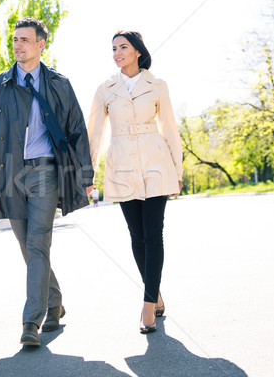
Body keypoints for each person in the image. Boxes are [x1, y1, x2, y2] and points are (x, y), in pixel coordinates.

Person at [0, 17, 94, 346]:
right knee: (26, 247)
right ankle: (54, 301)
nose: (17, 45)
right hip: (9, 172)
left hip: (46, 172)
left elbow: (77, 131)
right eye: (14, 39)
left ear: (41, 44)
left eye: (24, 40)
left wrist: (85, 176)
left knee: (38, 244)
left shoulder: (59, 83)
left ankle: (31, 322)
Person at [87, 30, 183, 334]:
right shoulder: (105, 89)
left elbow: (170, 128)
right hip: (122, 167)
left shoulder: (158, 85)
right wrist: (88, 175)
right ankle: (155, 294)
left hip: (156, 164)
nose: (116, 53)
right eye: (113, 48)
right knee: (137, 236)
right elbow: (94, 134)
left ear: (138, 51)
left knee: (154, 234)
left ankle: (146, 304)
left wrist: (177, 172)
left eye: (123, 47)